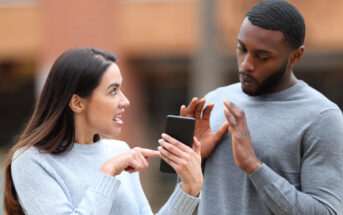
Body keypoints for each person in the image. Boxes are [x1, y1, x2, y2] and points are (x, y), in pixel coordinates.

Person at [181, 0, 343, 214]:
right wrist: (193, 161)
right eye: (242, 49)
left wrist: (253, 165)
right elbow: (192, 200)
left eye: (262, 57)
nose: (246, 64)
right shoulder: (215, 101)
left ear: (295, 56)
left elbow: (327, 211)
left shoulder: (322, 117)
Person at [3, 47, 203, 215]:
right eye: (113, 91)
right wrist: (108, 172)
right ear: (77, 103)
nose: (125, 101)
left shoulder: (119, 150)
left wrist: (188, 188)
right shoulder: (31, 161)